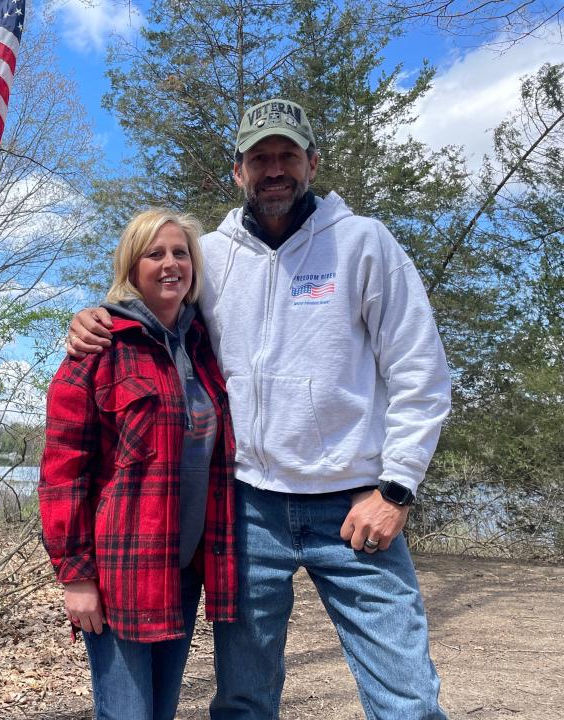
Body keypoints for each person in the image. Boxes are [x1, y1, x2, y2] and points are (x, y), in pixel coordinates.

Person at [67, 99, 452, 719]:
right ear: (238, 171)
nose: (275, 169)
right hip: (248, 512)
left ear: (312, 163)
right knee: (245, 700)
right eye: (260, 157)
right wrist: (97, 316)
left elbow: (420, 370)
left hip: (354, 508)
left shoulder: (363, 244)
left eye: (287, 155)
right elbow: (157, 315)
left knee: (406, 698)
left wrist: (397, 489)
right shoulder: (212, 257)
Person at [38, 208, 238, 720]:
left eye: (180, 253)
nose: (170, 263)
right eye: (155, 253)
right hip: (121, 571)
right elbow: (62, 473)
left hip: (184, 570)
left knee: (161, 711)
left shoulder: (205, 347)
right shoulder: (99, 347)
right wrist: (76, 577)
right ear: (132, 266)